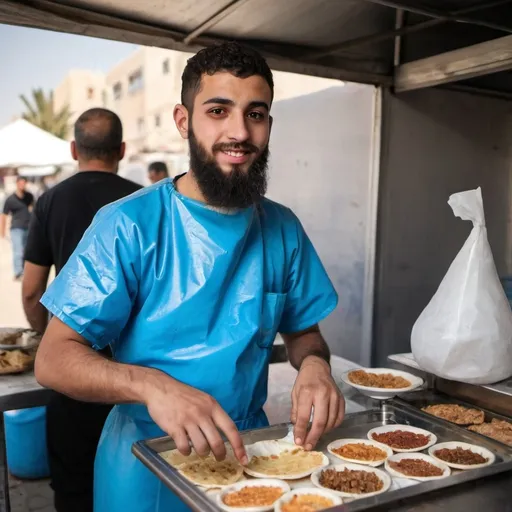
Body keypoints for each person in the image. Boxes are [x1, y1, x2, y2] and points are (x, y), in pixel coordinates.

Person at [34, 42, 344, 512]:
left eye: (255, 114)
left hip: (248, 457)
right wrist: (152, 386)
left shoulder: (283, 229)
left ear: (268, 126)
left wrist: (316, 365)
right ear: (183, 121)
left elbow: (304, 332)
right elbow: (54, 359)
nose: (238, 131)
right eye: (218, 110)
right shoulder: (129, 225)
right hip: (144, 465)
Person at [23, 108, 142, 512]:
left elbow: (31, 289)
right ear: (122, 150)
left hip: (73, 374)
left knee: (74, 491)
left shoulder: (50, 201)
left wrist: (48, 340)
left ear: (74, 148)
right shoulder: (143, 203)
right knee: (136, 487)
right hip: (137, 378)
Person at [0, 176, 34, 280]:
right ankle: (18, 272)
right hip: (16, 228)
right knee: (18, 250)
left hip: (28, 227)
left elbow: (33, 210)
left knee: (26, 251)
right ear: (17, 184)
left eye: (24, 183)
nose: (22, 185)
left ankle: (25, 270)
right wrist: (2, 231)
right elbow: (4, 215)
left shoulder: (29, 196)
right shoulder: (10, 199)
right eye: (20, 183)